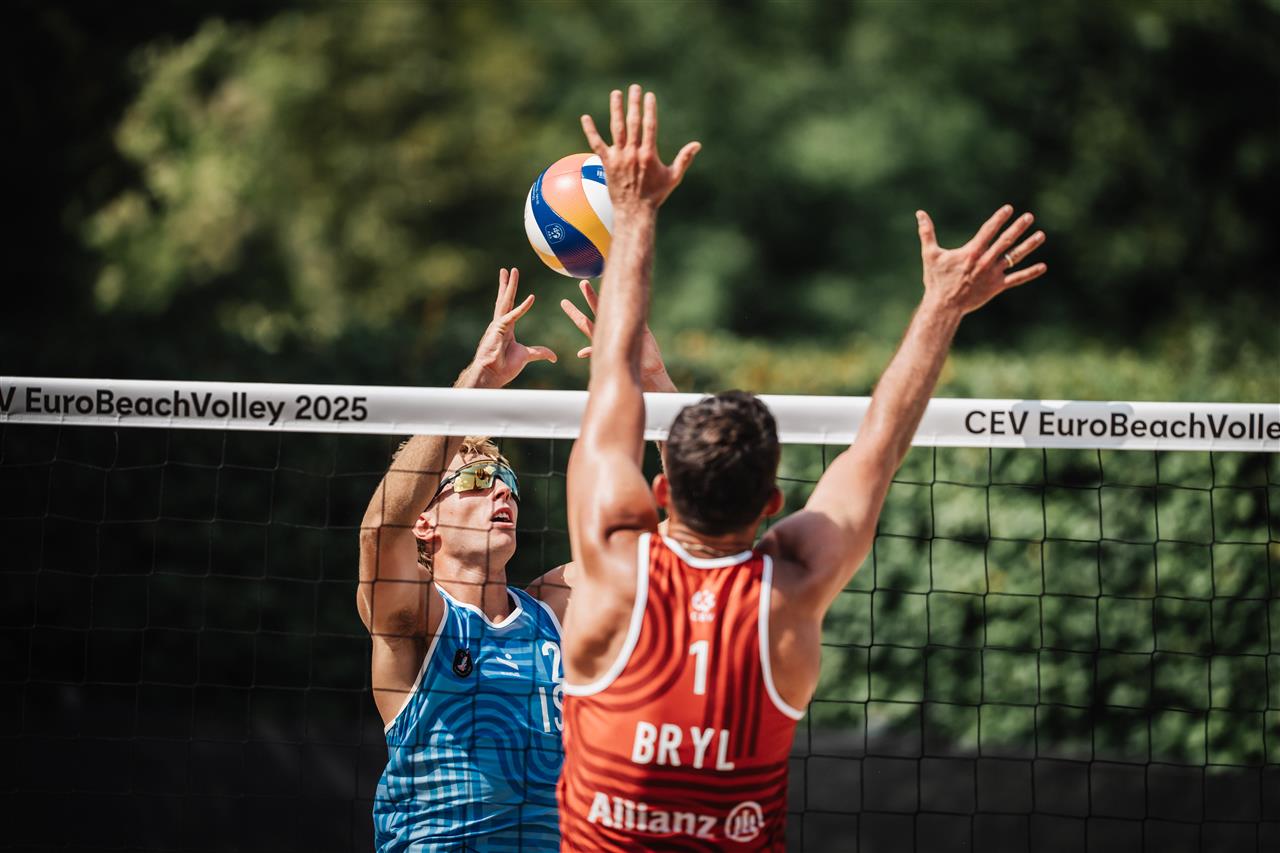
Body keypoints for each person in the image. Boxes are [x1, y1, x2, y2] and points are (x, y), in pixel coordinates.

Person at [558, 84, 1048, 849]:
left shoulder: (612, 564)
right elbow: (878, 445)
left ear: (659, 491)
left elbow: (611, 374)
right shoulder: (790, 588)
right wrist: (942, 305)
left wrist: (634, 213)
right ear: (773, 503)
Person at [358, 266, 679, 852]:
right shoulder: (416, 620)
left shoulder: (558, 606)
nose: (502, 491)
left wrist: (651, 379)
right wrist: (477, 379)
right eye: (479, 478)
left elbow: (689, 530)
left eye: (506, 480)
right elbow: (381, 529)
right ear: (426, 522)